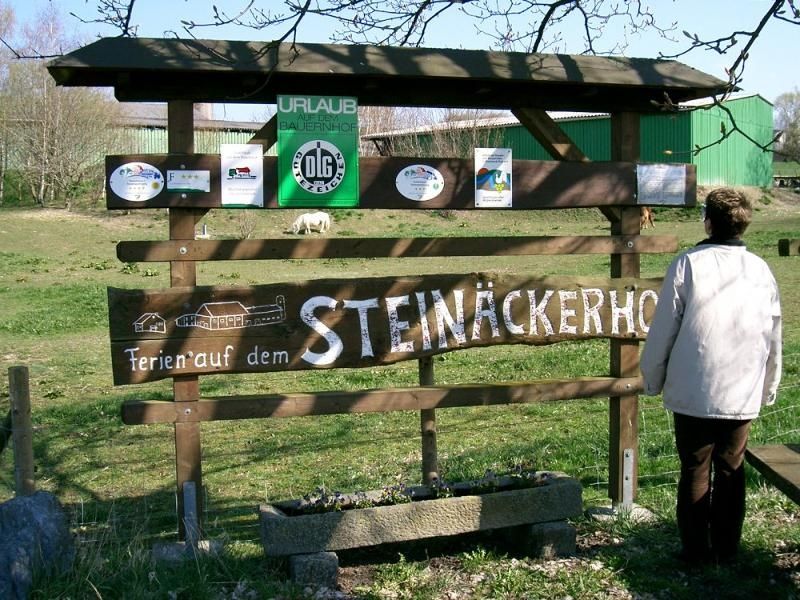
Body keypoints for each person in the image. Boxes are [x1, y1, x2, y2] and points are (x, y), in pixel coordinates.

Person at [640, 187, 782, 565]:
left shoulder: (688, 264)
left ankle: (695, 551)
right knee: (732, 467)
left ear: (708, 221)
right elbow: (774, 333)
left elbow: (664, 329)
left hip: (694, 386)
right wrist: (768, 384)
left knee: (695, 467)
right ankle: (727, 549)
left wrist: (651, 377)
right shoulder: (761, 270)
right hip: (742, 385)